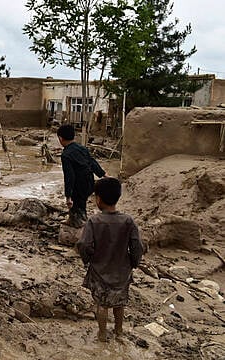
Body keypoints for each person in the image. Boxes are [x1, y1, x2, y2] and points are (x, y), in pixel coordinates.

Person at [76, 177, 143, 342]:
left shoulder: (94, 221)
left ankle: (102, 334)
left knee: (102, 304)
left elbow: (83, 244)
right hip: (122, 270)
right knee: (120, 302)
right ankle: (119, 331)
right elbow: (137, 246)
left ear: (98, 199)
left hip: (100, 270)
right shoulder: (128, 221)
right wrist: (134, 262)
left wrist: (88, 259)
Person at [57, 124, 106, 227]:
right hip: (89, 181)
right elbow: (92, 162)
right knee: (81, 201)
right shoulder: (82, 148)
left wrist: (68, 196)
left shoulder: (66, 155)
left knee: (76, 203)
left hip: (78, 184)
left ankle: (80, 223)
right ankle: (75, 218)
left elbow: (69, 176)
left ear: (60, 138)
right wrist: (103, 174)